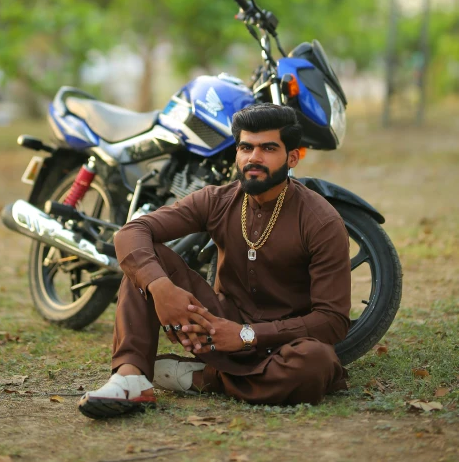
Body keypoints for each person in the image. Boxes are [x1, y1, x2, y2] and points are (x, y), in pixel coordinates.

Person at [78, 103, 351, 419]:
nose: (253, 158)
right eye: (246, 147)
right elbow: (132, 232)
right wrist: (161, 288)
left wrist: (246, 335)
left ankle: (203, 378)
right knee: (143, 262)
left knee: (316, 363)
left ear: (292, 157)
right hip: (215, 323)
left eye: (268, 148)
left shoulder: (321, 221)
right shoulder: (217, 200)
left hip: (284, 343)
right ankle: (130, 378)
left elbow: (333, 321)